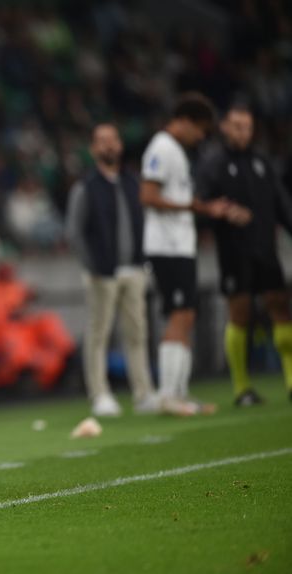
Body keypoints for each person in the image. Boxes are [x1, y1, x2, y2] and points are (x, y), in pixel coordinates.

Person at [140, 92, 241, 414]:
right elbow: (148, 195)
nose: (200, 137)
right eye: (199, 129)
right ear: (183, 121)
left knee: (187, 315)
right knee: (180, 314)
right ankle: (168, 394)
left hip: (180, 245)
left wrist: (203, 208)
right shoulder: (161, 148)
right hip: (166, 246)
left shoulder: (176, 152)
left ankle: (178, 393)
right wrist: (193, 206)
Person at [197, 105, 292, 405]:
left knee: (280, 307)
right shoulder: (213, 164)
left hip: (266, 248)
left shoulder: (262, 161)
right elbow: (201, 206)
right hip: (234, 253)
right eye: (237, 126)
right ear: (225, 126)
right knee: (240, 313)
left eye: (247, 127)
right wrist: (221, 213)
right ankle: (241, 387)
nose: (242, 132)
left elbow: (282, 204)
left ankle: (291, 380)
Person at [66, 123, 158, 417]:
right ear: (94, 149)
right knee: (99, 334)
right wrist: (92, 266)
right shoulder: (86, 187)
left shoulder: (133, 183)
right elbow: (74, 232)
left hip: (134, 269)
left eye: (113, 140)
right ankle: (100, 394)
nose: (108, 146)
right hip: (101, 274)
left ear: (119, 145)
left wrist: (145, 262)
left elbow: (146, 223)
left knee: (137, 334)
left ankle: (143, 393)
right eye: (102, 141)